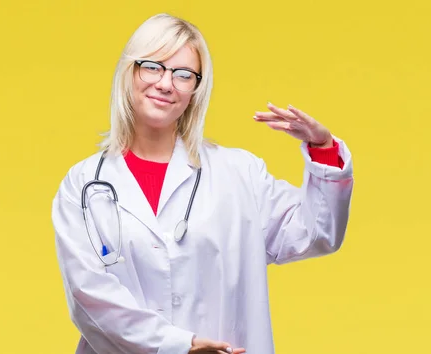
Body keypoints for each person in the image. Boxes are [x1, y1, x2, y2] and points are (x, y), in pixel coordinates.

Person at [51, 13, 353, 354]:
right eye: (153, 66)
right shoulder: (84, 186)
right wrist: (180, 345)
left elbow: (316, 235)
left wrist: (324, 149)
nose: (166, 84)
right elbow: (88, 296)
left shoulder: (239, 173)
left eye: (183, 74)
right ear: (129, 71)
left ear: (195, 89)